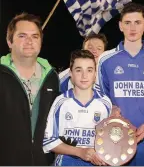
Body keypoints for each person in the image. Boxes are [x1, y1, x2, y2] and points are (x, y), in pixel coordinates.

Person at [96, 2, 144, 166]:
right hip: (115, 137)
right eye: (127, 22)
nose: (132, 28)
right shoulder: (105, 59)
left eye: (137, 22)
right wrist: (111, 109)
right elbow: (99, 97)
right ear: (120, 26)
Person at [0, 13, 60, 165]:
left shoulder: (52, 77)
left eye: (35, 36)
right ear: (9, 41)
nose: (29, 41)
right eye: (22, 36)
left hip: (42, 162)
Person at [43, 50, 112, 166]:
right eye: (79, 70)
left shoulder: (105, 103)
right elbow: (48, 141)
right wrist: (80, 152)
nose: (84, 76)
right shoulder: (61, 102)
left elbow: (110, 140)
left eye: (89, 70)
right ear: (71, 73)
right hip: (67, 162)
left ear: (95, 74)